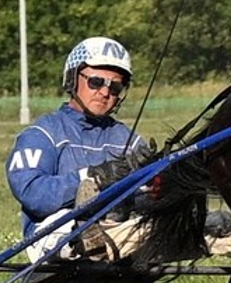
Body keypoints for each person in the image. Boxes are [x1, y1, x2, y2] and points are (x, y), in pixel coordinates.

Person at [9, 37, 152, 254]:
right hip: (52, 236)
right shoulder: (42, 133)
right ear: (73, 79)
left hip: (118, 225)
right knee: (71, 221)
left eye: (115, 87)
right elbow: (33, 194)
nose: (105, 92)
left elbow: (147, 199)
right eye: (96, 82)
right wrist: (93, 177)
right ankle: (87, 236)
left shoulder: (128, 139)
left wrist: (155, 184)